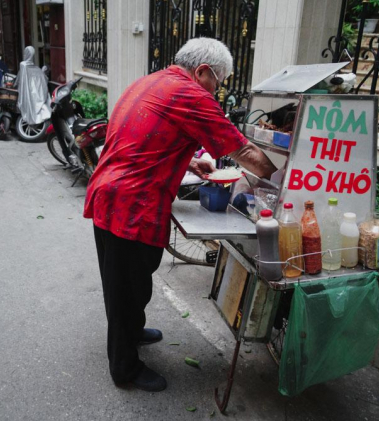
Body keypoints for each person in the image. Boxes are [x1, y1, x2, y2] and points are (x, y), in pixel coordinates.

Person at [83, 37, 277, 392]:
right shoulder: (191, 94)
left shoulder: (152, 81)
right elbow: (243, 150)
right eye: (217, 83)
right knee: (125, 288)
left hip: (109, 194)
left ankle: (132, 332)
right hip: (131, 203)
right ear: (202, 71)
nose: (216, 92)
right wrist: (283, 177)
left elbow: (138, 137)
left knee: (130, 282)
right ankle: (124, 368)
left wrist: (188, 159)